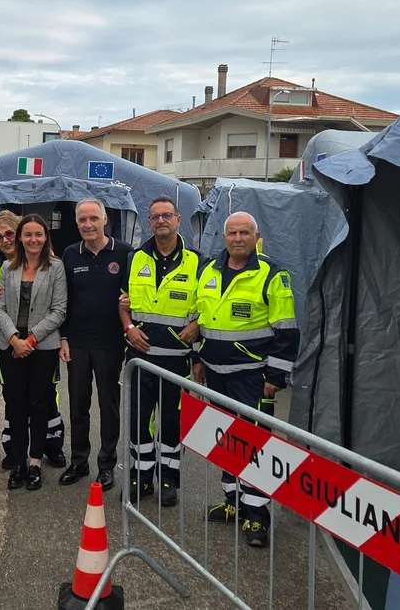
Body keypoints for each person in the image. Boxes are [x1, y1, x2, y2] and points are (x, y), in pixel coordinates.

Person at [194, 212, 299, 547]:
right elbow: (201, 317)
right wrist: (198, 357)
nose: (237, 238)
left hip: (253, 377)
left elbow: (287, 330)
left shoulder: (271, 273)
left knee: (255, 445)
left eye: (244, 233)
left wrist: (276, 375)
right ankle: (234, 501)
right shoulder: (209, 270)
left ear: (256, 236)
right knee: (225, 440)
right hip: (215, 374)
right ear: (224, 237)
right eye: (232, 232)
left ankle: (257, 516)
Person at [118, 196, 201, 508]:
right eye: (155, 216)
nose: (161, 220)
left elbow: (208, 306)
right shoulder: (135, 258)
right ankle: (140, 478)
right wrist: (128, 327)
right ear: (149, 222)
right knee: (139, 421)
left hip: (176, 361)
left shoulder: (197, 261)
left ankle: (168, 480)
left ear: (178, 220)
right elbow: (123, 302)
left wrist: (198, 325)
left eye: (167, 215)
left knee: (171, 423)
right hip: (139, 359)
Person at [0, 211, 67, 470]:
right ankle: (16, 455)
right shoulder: (2, 267)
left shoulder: (55, 265)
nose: (6, 239)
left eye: (38, 234)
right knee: (15, 401)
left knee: (43, 400)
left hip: (41, 345)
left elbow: (60, 309)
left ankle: (43, 454)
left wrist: (29, 339)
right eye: (0, 236)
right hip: (10, 344)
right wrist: (15, 339)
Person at [57, 198, 133, 490]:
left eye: (93, 219)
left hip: (110, 343)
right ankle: (78, 461)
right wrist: (63, 336)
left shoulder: (125, 252)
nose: (87, 225)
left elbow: (134, 294)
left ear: (104, 220)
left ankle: (106, 465)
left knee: (108, 405)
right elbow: (63, 300)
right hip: (76, 342)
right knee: (77, 404)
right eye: (82, 220)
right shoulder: (70, 254)